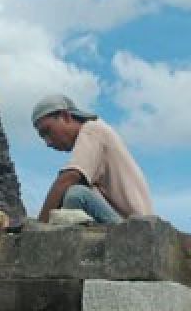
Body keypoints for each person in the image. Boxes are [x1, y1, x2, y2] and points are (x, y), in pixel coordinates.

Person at [30, 93, 153, 224]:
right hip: (122, 221)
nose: (48, 142)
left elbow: (68, 178)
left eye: (47, 131)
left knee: (77, 195)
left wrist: (38, 226)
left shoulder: (92, 130)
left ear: (65, 116)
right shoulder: (94, 134)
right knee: (68, 197)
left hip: (133, 228)